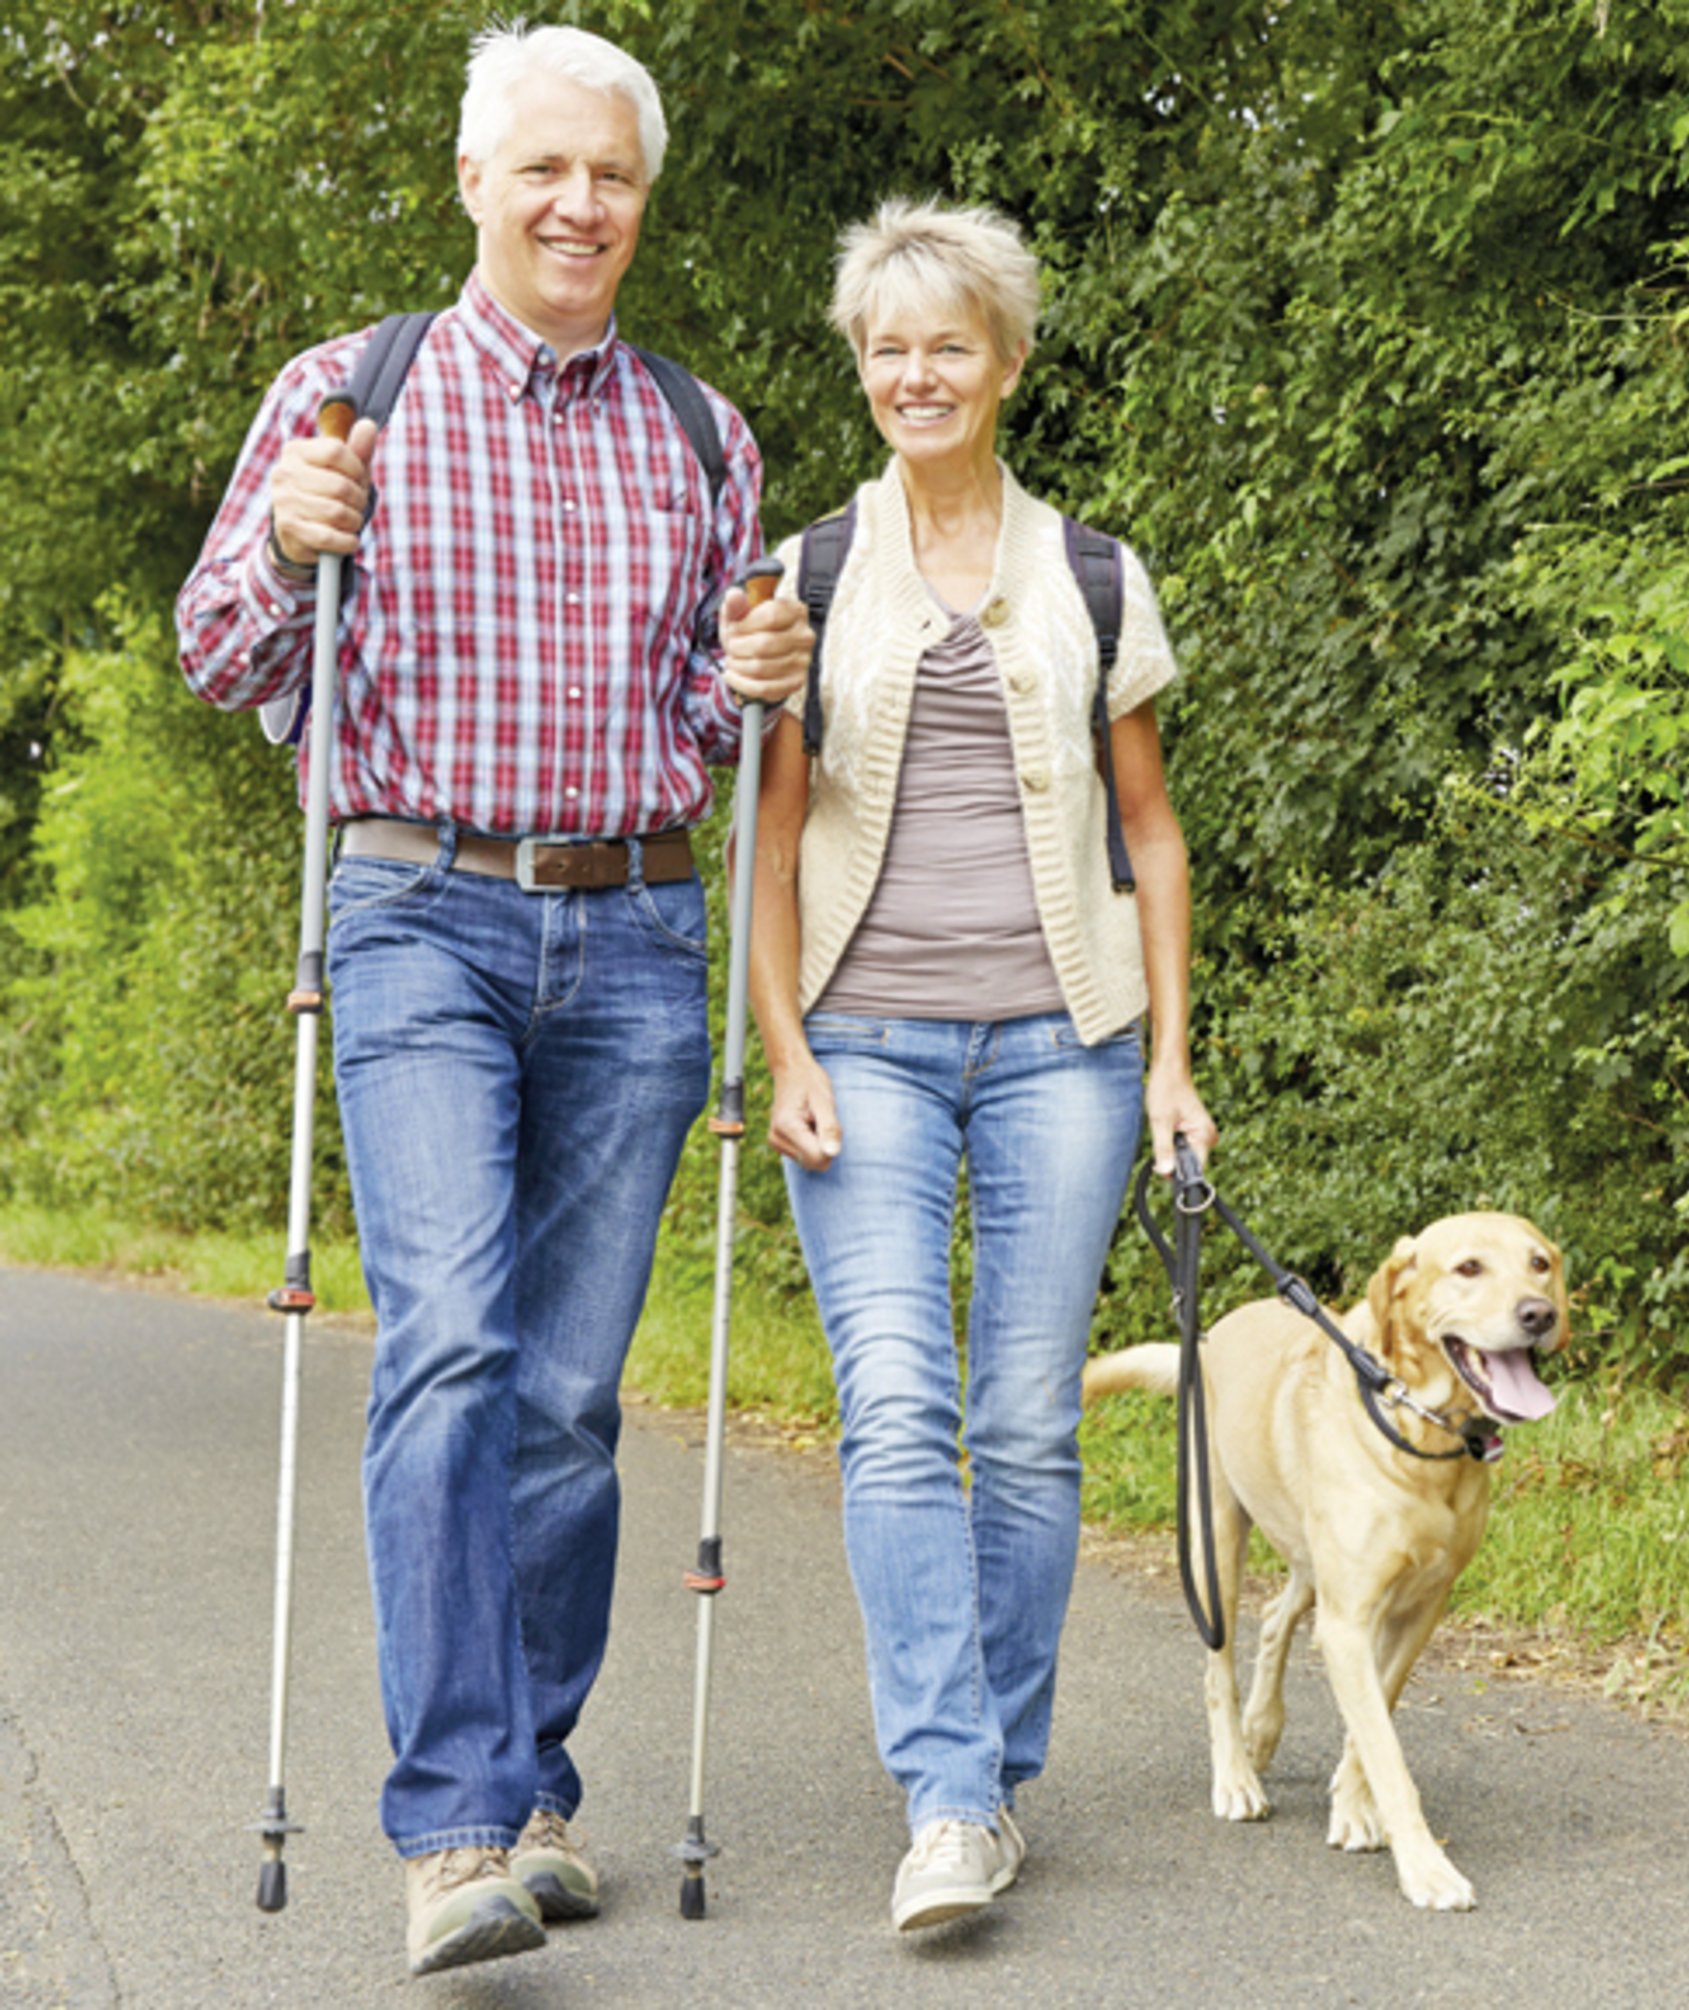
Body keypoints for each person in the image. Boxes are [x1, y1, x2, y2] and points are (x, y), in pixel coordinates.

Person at [175, 24, 812, 1978]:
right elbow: (217, 649)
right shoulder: (347, 395)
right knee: (448, 1344)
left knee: (561, 1396)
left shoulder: (703, 435)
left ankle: (537, 1785)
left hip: (631, 938)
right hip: (414, 919)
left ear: (642, 197)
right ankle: (451, 1831)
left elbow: (715, 727)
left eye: (610, 175)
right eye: (544, 169)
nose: (578, 204)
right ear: (475, 182)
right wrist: (288, 548)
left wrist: (772, 665)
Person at [750, 198, 1216, 1933]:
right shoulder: (805, 574)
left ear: (1007, 363)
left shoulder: (1094, 571)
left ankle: (993, 1770)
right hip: (862, 1043)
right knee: (895, 1404)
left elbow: (1152, 835)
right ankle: (947, 1791)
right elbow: (771, 841)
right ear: (862, 369)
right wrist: (782, 1042)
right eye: (889, 347)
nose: (916, 373)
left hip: (1065, 1051)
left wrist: (1170, 1058)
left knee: (1023, 1424)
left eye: (950, 343)